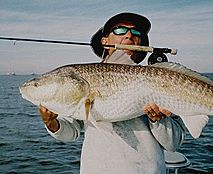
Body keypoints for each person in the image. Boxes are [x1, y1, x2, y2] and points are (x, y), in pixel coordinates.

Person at [39, 12, 185, 174]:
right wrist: (52, 124)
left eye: (136, 33)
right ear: (105, 41)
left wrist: (158, 121)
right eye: (120, 30)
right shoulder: (85, 79)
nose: (129, 35)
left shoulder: (161, 81)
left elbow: (173, 143)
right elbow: (70, 132)